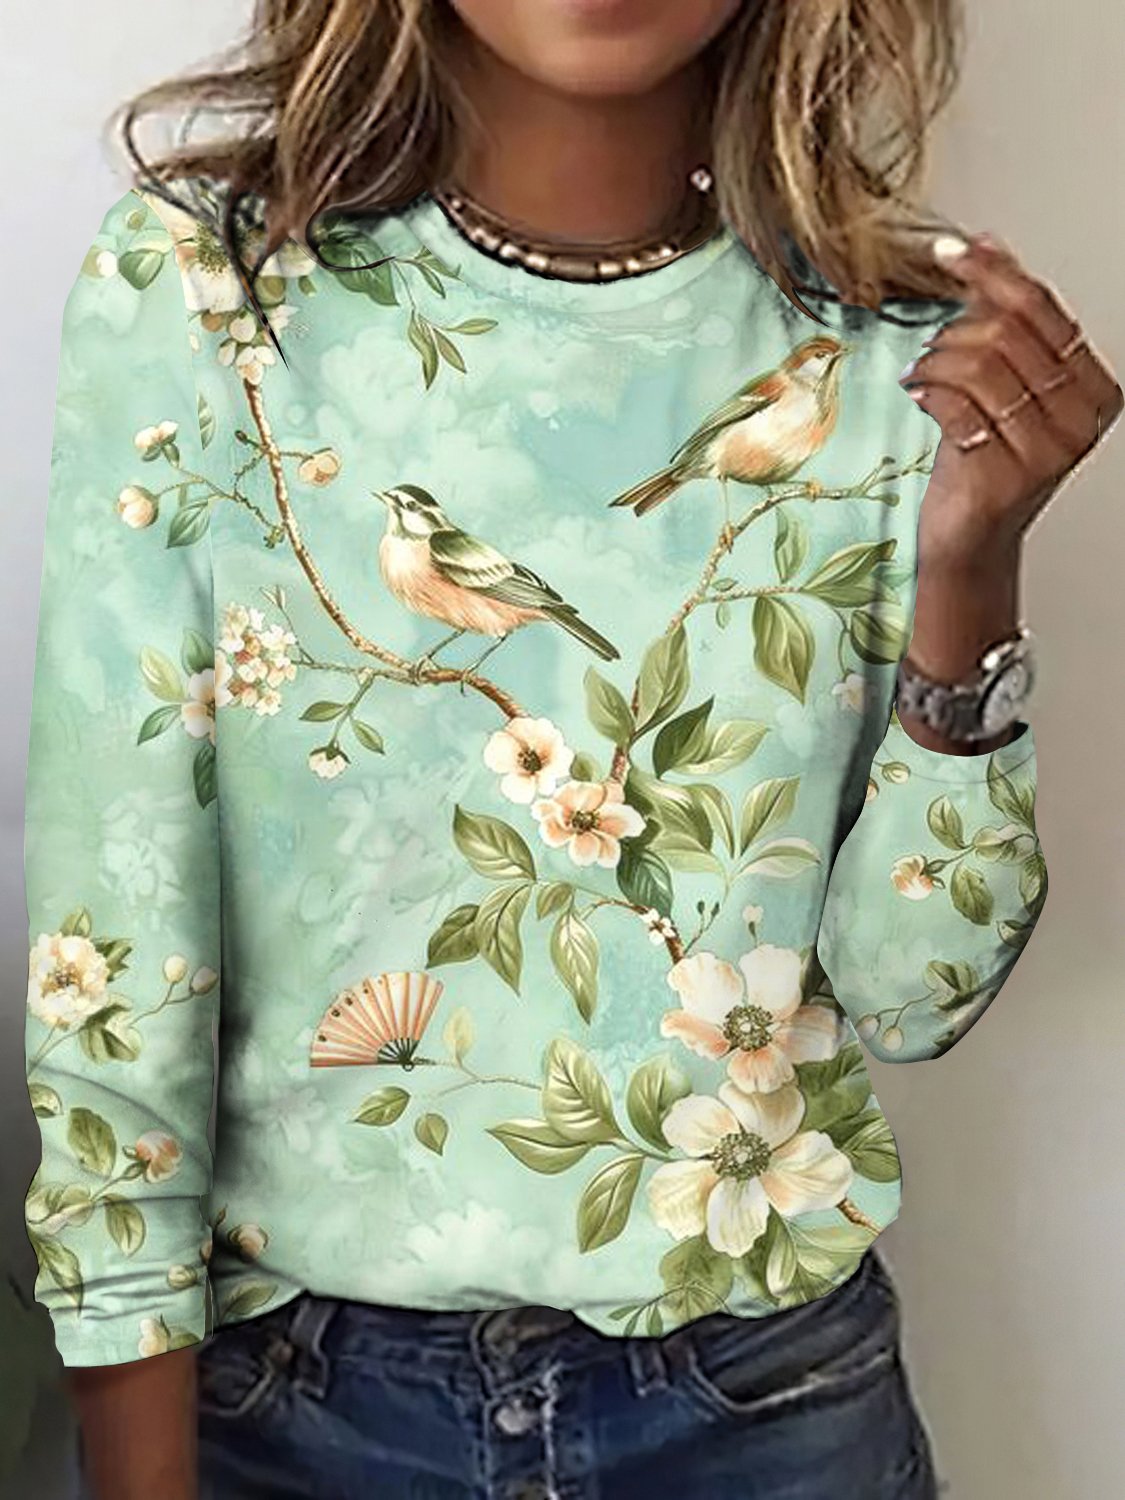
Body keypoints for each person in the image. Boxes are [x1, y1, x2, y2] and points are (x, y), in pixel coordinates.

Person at [23, 2, 1118, 1497]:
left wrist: (969, 575)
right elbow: (115, 937)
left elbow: (909, 995)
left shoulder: (901, 354)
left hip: (765, 1405)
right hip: (287, 1407)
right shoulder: (209, 290)